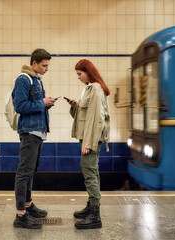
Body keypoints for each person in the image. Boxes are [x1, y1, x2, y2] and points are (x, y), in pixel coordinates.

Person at [12, 48, 56, 229]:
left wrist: (47, 104)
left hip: (38, 132)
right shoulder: (24, 80)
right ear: (34, 63)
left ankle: (28, 205)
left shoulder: (37, 80)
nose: (47, 68)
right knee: (24, 172)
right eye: (44, 65)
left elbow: (35, 105)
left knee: (31, 171)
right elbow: (20, 106)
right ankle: (20, 215)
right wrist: (41, 103)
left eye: (47, 65)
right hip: (29, 132)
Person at [67, 59, 110, 229]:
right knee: (92, 171)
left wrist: (88, 143)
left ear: (88, 72)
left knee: (89, 173)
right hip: (88, 137)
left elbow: (95, 119)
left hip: (90, 139)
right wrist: (76, 107)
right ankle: (91, 206)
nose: (78, 77)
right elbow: (85, 116)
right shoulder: (89, 89)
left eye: (79, 74)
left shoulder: (95, 89)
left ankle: (95, 215)